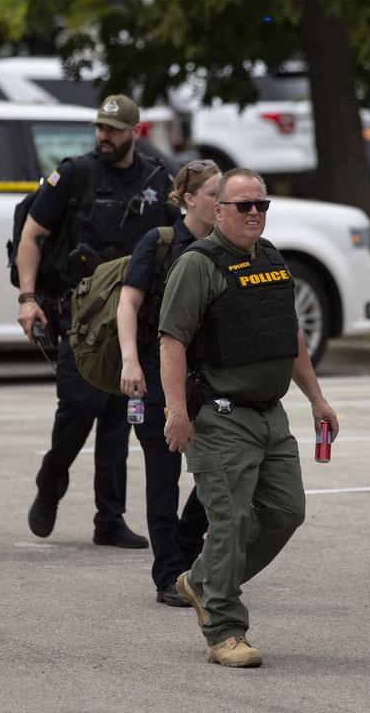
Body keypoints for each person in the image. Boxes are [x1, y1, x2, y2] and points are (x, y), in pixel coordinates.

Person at [158, 168, 339, 668]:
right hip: (219, 416)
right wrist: (176, 413)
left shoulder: (274, 260)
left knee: (286, 512)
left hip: (270, 417)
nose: (254, 212)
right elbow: (171, 341)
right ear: (219, 212)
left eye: (261, 204)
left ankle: (201, 582)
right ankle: (224, 629)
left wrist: (317, 399)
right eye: (243, 205)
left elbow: (291, 337)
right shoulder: (198, 264)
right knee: (230, 520)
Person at [16, 94, 175, 548]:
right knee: (79, 408)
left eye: (113, 130)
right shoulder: (75, 174)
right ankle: (51, 483)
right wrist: (28, 297)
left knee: (119, 416)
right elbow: (33, 236)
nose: (103, 137)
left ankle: (110, 518)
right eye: (100, 128)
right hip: (83, 315)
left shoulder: (154, 177)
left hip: (135, 318)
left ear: (134, 132)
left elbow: (174, 239)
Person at [116, 160, 218, 607]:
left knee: (218, 469)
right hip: (157, 375)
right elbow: (128, 303)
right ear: (190, 198)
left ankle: (185, 546)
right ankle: (167, 574)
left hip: (207, 379)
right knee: (164, 475)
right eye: (216, 193)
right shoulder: (159, 243)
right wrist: (130, 362)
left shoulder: (224, 246)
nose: (224, 202)